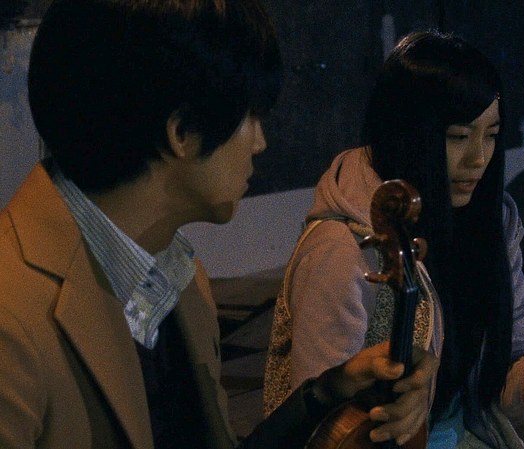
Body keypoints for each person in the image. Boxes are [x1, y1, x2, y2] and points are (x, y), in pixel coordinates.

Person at [0, 1, 437, 448]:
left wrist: (330, 392)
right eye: (250, 116)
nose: (260, 142)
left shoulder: (177, 274)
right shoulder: (12, 319)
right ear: (182, 134)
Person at [263, 30, 524, 448]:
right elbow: (321, 422)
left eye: (491, 135)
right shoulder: (340, 249)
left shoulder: (490, 223)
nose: (479, 158)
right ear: (410, 133)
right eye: (459, 137)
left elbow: (496, 382)